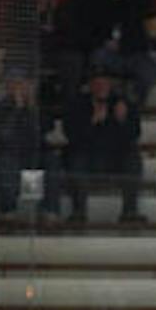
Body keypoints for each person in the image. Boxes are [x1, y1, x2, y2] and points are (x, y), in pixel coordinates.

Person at [62, 72, 144, 225]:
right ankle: (78, 211)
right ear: (90, 86)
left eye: (104, 83)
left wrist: (122, 120)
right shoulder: (77, 104)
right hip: (87, 155)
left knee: (133, 159)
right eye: (97, 84)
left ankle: (130, 211)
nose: (101, 87)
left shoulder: (122, 103)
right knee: (75, 159)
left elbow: (134, 134)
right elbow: (71, 135)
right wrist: (92, 121)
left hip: (115, 157)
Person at [0, 72, 57, 221]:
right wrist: (17, 110)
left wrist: (31, 109)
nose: (20, 88)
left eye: (23, 84)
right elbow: (3, 133)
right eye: (16, 84)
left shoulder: (38, 106)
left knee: (51, 161)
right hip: (10, 153)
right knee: (6, 163)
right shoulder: (0, 107)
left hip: (34, 153)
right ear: (8, 87)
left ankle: (49, 210)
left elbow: (46, 129)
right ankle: (8, 211)